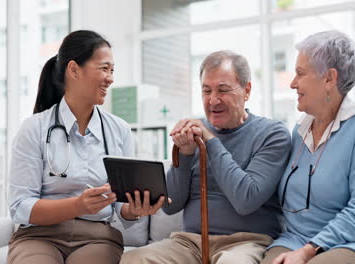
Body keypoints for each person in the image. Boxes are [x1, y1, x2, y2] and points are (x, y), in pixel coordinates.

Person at [7, 30, 165, 264]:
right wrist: (77, 205)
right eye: (104, 68)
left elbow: (121, 205)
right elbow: (20, 207)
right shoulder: (33, 129)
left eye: (112, 70)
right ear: (73, 70)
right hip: (38, 236)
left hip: (97, 238)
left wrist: (134, 209)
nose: (110, 78)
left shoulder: (119, 130)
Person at [121, 50, 292, 264]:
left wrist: (210, 141)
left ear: (247, 90)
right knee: (133, 260)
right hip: (190, 243)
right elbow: (170, 205)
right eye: (206, 91)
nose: (213, 100)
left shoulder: (272, 134)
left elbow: (246, 200)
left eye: (223, 90)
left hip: (247, 242)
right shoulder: (195, 132)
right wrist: (185, 154)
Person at [261, 30, 355, 264]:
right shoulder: (298, 132)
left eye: (300, 74)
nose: (292, 83)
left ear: (329, 78)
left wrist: (308, 251)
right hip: (297, 238)